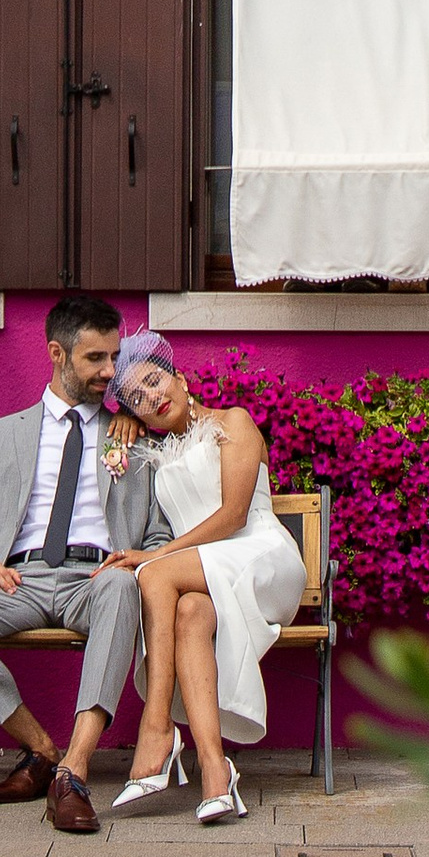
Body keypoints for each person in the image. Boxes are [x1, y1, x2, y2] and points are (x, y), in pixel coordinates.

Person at [0, 290, 166, 835]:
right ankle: (41, 749)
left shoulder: (135, 435)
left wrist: (137, 558)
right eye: (95, 358)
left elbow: (162, 531)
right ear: (57, 354)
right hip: (18, 580)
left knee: (122, 590)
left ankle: (73, 772)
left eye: (114, 357)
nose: (110, 371)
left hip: (96, 578)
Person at [100, 330, 305, 826]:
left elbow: (234, 515)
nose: (153, 396)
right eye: (139, 397)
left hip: (260, 557)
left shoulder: (233, 422)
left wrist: (160, 558)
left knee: (152, 574)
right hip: (209, 574)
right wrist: (121, 419)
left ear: (182, 378)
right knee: (190, 613)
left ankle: (157, 728)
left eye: (156, 380)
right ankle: (216, 774)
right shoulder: (157, 454)